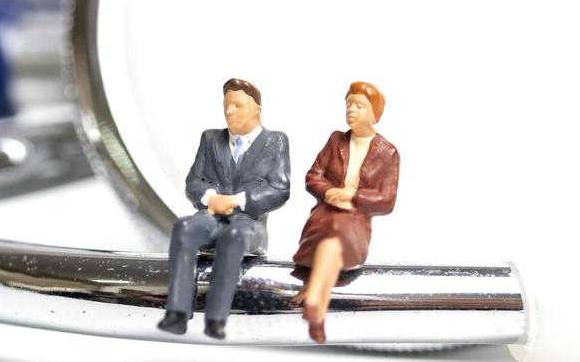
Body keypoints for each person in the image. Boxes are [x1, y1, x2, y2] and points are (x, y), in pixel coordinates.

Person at [158, 77, 290, 340]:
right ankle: (178, 312)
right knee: (184, 227)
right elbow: (194, 181)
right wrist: (209, 198)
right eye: (227, 105)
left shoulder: (275, 141)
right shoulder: (210, 139)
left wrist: (239, 200)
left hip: (248, 223)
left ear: (257, 109)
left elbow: (280, 189)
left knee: (234, 238)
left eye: (238, 106)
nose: (230, 112)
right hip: (212, 216)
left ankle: (216, 318)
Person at [291, 80, 399, 343]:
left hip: (357, 220)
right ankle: (318, 298)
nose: (351, 110)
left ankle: (316, 294)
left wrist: (352, 195)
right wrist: (329, 193)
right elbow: (313, 176)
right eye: (349, 104)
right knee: (332, 225)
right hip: (325, 213)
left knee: (339, 229)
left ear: (375, 113)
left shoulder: (388, 153)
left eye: (359, 106)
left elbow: (387, 200)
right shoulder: (336, 140)